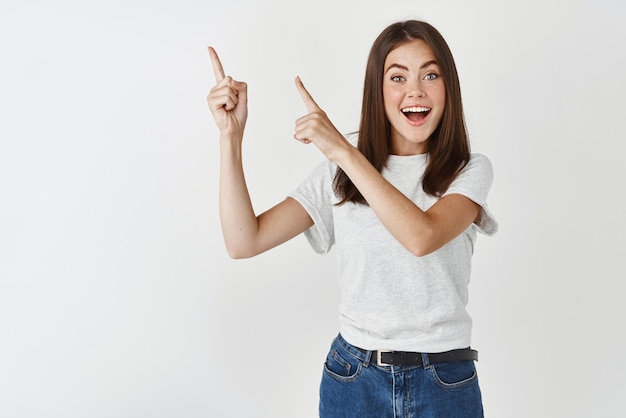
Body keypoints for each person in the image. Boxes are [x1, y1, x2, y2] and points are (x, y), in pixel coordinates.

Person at [207, 19, 497, 418]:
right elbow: (244, 240)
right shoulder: (340, 172)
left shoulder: (468, 170)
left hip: (445, 382)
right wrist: (230, 138)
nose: (415, 90)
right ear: (377, 90)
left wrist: (344, 151)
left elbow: (422, 237)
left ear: (449, 88)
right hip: (354, 379)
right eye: (398, 77)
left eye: (431, 74)